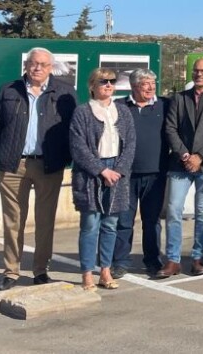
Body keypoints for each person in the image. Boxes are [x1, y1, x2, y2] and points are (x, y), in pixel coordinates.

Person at [0, 47, 77, 291]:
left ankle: (40, 271)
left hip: (49, 165)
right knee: (13, 221)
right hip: (13, 166)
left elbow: (73, 131)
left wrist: (63, 159)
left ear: (50, 68)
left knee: (45, 221)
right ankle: (11, 272)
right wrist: (0, 159)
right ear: (26, 64)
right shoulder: (8, 90)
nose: (37, 68)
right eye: (33, 63)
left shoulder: (65, 92)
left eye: (43, 64)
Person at [159, 57, 203, 278]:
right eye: (196, 70)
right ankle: (173, 260)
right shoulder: (179, 98)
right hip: (180, 164)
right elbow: (170, 128)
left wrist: (200, 156)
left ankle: (198, 257)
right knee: (173, 210)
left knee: (202, 212)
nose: (199, 74)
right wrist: (185, 154)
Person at [69, 68, 136, 291]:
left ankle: (105, 270)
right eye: (103, 81)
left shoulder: (123, 111)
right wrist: (101, 171)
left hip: (117, 170)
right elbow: (78, 147)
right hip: (91, 174)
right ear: (92, 85)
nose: (108, 85)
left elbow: (131, 144)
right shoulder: (82, 112)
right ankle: (87, 273)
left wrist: (118, 170)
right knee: (90, 224)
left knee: (110, 224)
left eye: (111, 81)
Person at [112, 69, 170, 279]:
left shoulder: (164, 105)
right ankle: (119, 261)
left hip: (155, 174)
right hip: (126, 174)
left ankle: (153, 261)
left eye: (153, 83)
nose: (150, 88)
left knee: (152, 221)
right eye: (145, 84)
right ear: (134, 86)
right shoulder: (119, 106)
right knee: (124, 221)